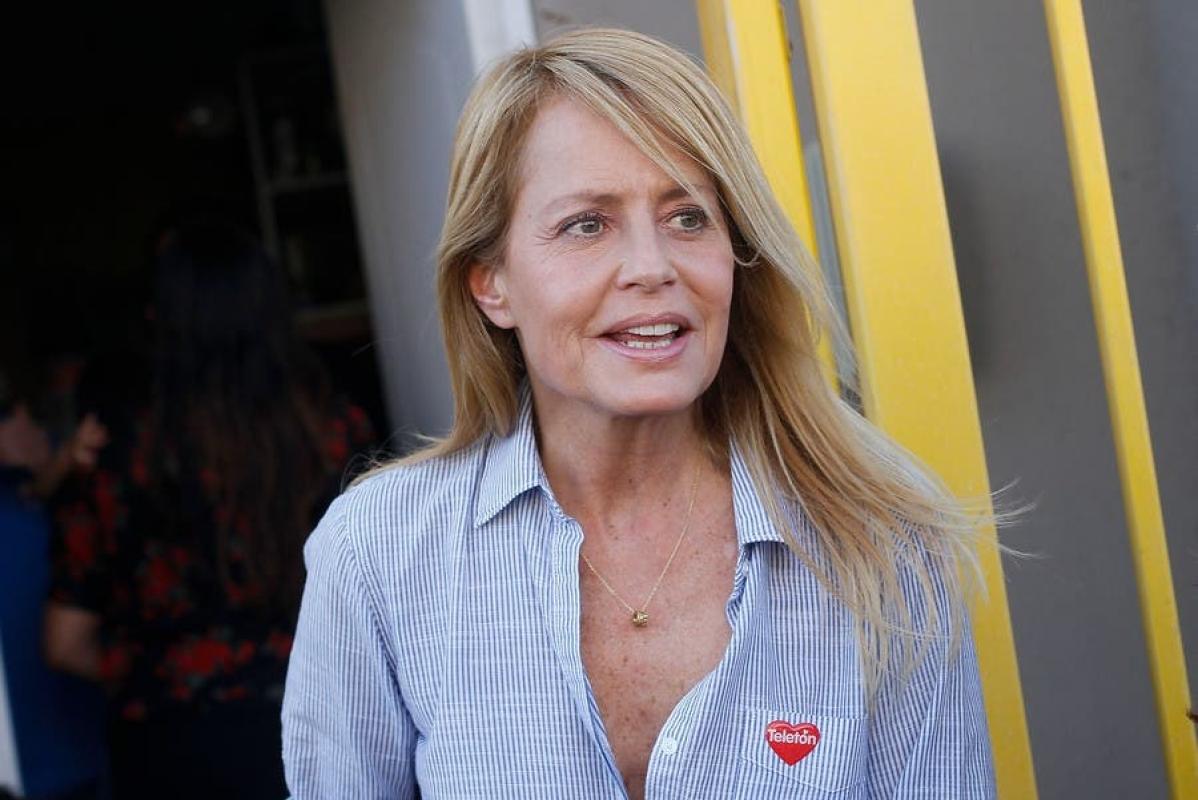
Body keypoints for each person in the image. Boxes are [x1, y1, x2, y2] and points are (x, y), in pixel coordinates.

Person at [283, 28, 995, 799]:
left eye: (688, 217)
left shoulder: (879, 541)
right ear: (492, 284)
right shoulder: (378, 555)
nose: (653, 268)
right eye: (587, 225)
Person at [43, 221, 375, 799]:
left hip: (167, 745)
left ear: (160, 321)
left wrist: (162, 671)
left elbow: (64, 642)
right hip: (316, 724)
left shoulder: (118, 457)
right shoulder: (333, 435)